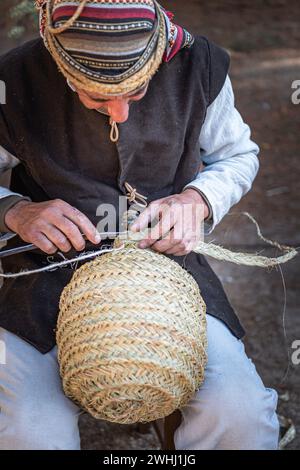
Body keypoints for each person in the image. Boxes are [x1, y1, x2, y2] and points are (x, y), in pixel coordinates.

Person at [0, 0, 279, 450]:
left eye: (137, 93)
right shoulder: (13, 80)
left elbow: (238, 155)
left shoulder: (196, 66)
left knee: (240, 416)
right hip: (44, 276)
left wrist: (197, 198)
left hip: (167, 274)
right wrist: (13, 209)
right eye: (97, 97)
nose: (120, 115)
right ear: (61, 66)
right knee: (29, 430)